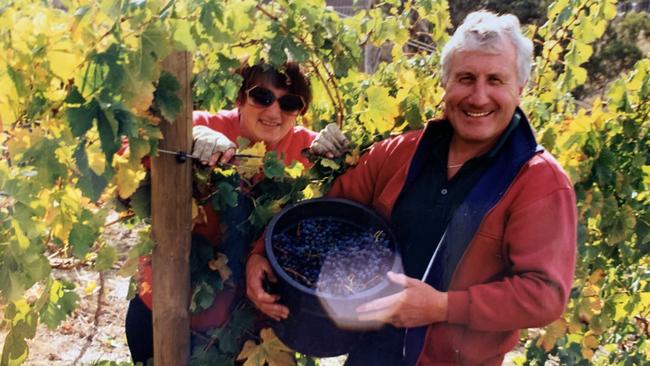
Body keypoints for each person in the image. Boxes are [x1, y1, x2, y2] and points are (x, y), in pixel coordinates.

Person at [246, 11, 577, 366]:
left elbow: (544, 294)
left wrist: (442, 306)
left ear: (520, 88)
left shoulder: (539, 182)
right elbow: (325, 215)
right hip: (368, 355)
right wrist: (261, 253)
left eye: (496, 80)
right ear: (446, 83)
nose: (479, 97)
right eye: (466, 78)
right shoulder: (398, 153)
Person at [124, 60, 347, 363]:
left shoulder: (308, 151)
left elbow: (342, 208)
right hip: (166, 313)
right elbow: (127, 154)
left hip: (250, 329)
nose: (273, 112)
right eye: (262, 97)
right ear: (240, 97)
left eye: (289, 103)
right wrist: (186, 138)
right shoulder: (200, 126)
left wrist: (339, 157)